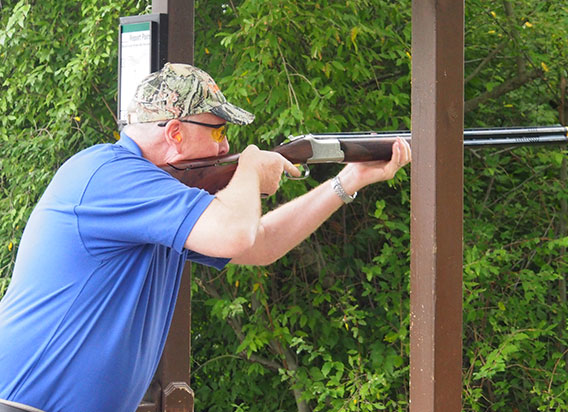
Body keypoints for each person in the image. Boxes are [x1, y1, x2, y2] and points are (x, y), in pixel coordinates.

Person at [0, 63, 411, 412]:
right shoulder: (110, 175)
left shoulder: (155, 189)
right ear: (175, 132)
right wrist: (249, 170)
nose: (226, 144)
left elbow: (260, 243)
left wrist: (347, 181)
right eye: (217, 131)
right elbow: (236, 233)